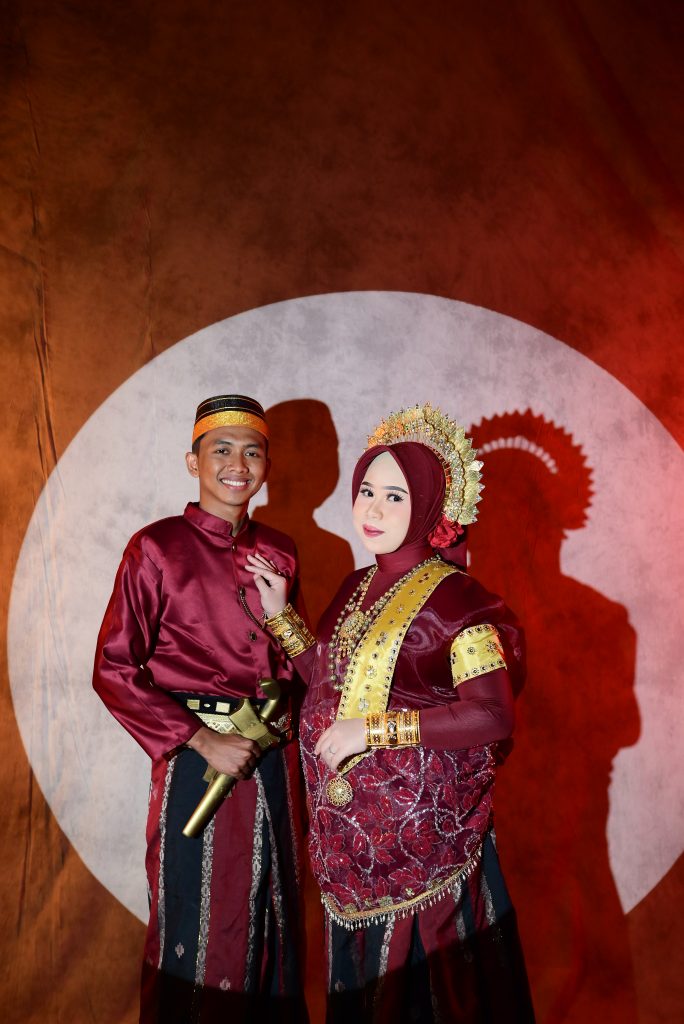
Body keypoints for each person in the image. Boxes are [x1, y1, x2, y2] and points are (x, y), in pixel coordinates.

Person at [246, 403, 535, 1023]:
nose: (372, 510)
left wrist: (373, 732)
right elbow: (330, 687)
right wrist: (281, 618)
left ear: (431, 507)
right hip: (351, 843)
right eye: (367, 492)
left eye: (395, 497)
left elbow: (493, 715)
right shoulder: (355, 587)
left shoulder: (459, 600)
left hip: (424, 849)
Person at [93, 394, 309, 1024]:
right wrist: (199, 738)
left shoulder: (283, 551)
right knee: (201, 927)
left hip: (275, 768)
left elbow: (300, 666)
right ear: (193, 462)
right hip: (198, 767)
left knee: (276, 926)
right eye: (221, 450)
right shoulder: (156, 548)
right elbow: (112, 668)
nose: (237, 465)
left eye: (252, 452)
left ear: (267, 466)